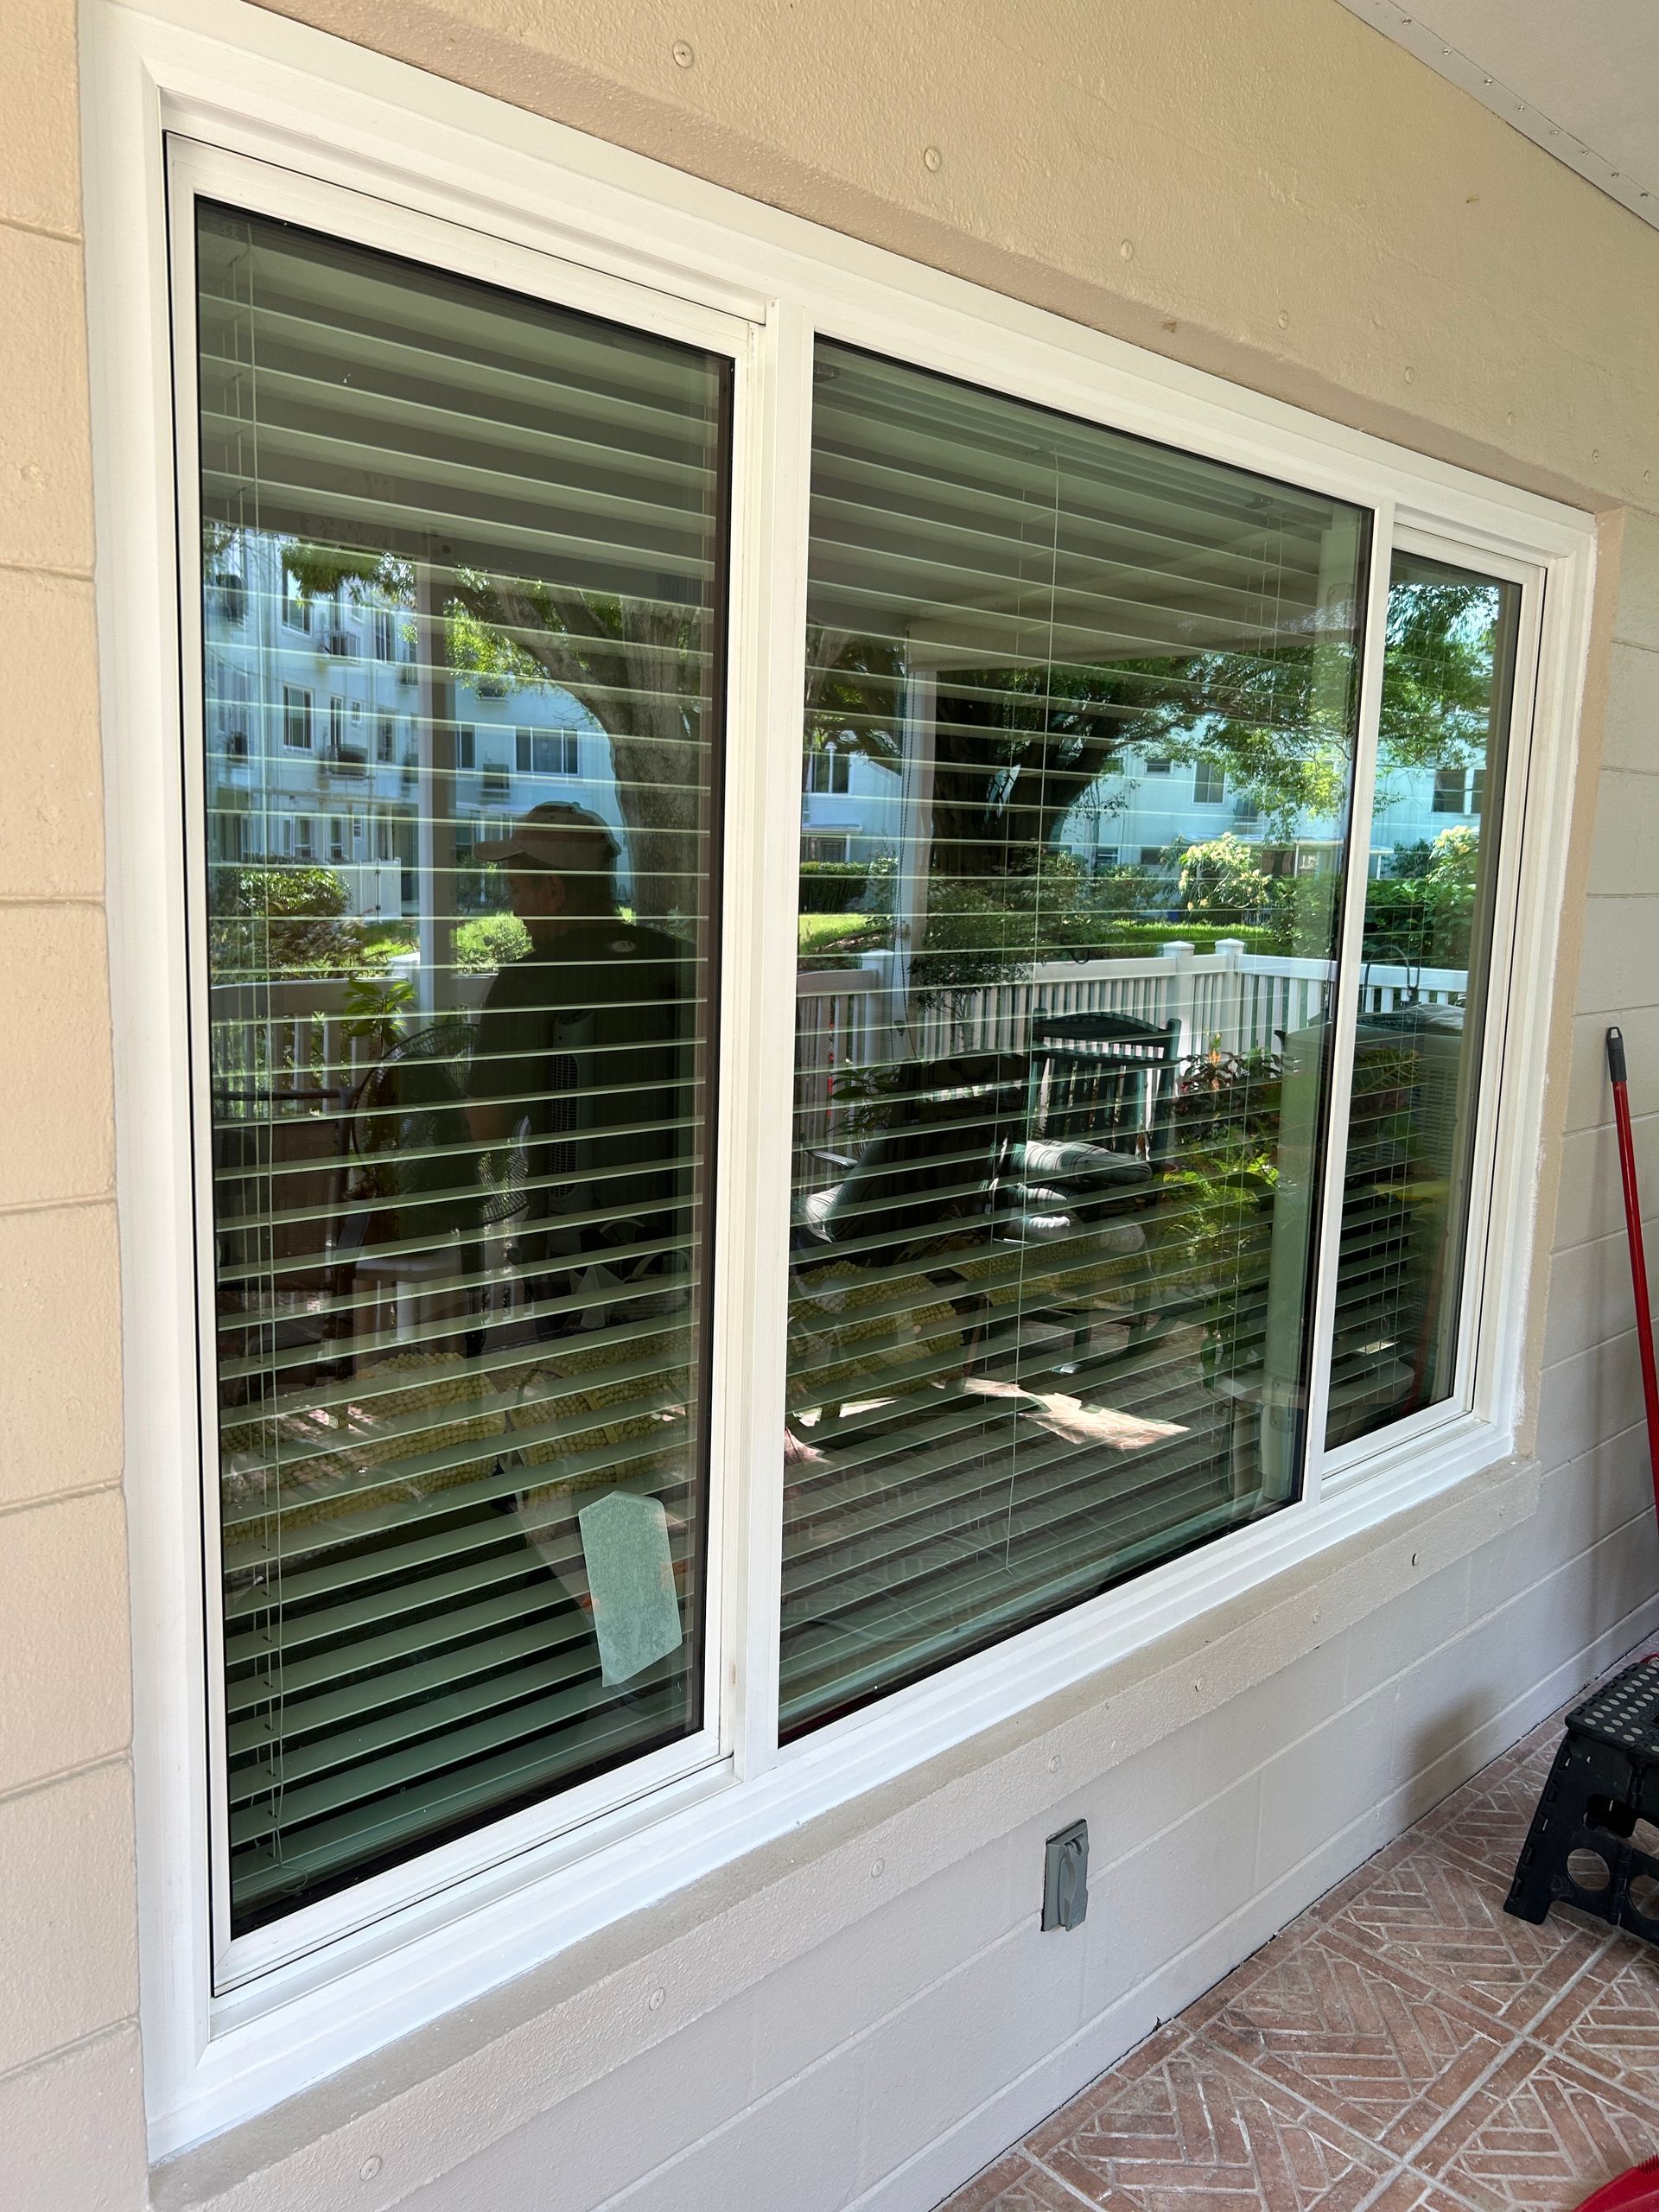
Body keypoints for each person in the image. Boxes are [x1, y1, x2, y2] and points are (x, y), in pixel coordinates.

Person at [466, 801, 694, 1338]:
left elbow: (485, 1130)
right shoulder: (683, 962)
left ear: (553, 891)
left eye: (519, 892)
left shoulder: (531, 982)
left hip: (575, 1255)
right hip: (689, 1236)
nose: (516, 909)